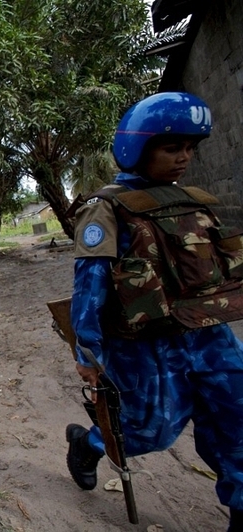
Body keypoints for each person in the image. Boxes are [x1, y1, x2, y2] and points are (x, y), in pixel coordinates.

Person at [65, 92, 243, 531]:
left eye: (189, 148)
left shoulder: (192, 200)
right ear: (138, 148)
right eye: (171, 148)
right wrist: (88, 358)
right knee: (150, 431)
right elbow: (88, 291)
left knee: (235, 424)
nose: (183, 158)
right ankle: (87, 444)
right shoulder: (106, 209)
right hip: (147, 342)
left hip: (209, 333)